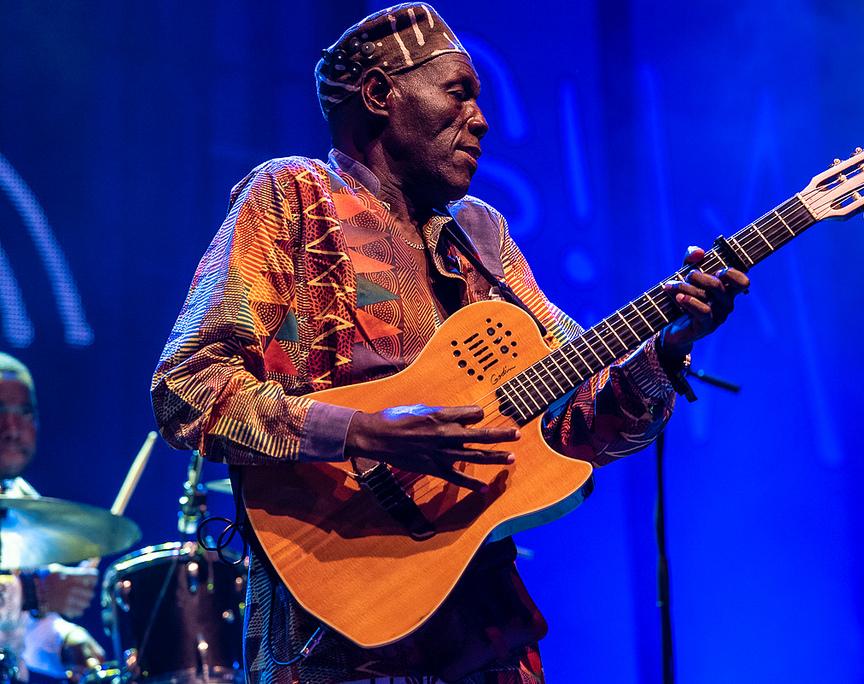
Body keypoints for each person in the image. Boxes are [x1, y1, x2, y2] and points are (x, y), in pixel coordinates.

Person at [151, 4, 750, 682]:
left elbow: (581, 422)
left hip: (481, 630)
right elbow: (187, 390)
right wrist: (364, 432)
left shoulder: (481, 238)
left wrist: (666, 349)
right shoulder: (294, 197)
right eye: (459, 91)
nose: (483, 119)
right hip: (334, 626)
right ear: (380, 95)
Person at [0, 353, 106, 681]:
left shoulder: (23, 502)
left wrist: (63, 642)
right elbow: (26, 599)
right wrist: (36, 592)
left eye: (25, 413)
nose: (12, 429)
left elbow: (19, 632)